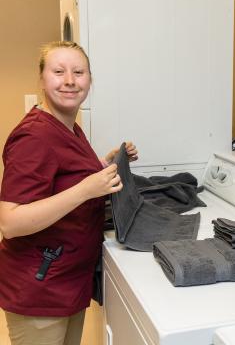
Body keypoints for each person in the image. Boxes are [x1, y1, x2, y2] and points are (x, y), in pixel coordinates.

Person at [0, 41, 138, 345]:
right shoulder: (33, 136)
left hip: (67, 278)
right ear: (41, 79)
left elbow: (62, 175)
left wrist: (105, 163)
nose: (70, 81)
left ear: (89, 79)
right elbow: (10, 222)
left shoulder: (68, 126)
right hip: (40, 289)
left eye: (79, 72)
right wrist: (85, 189)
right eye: (58, 71)